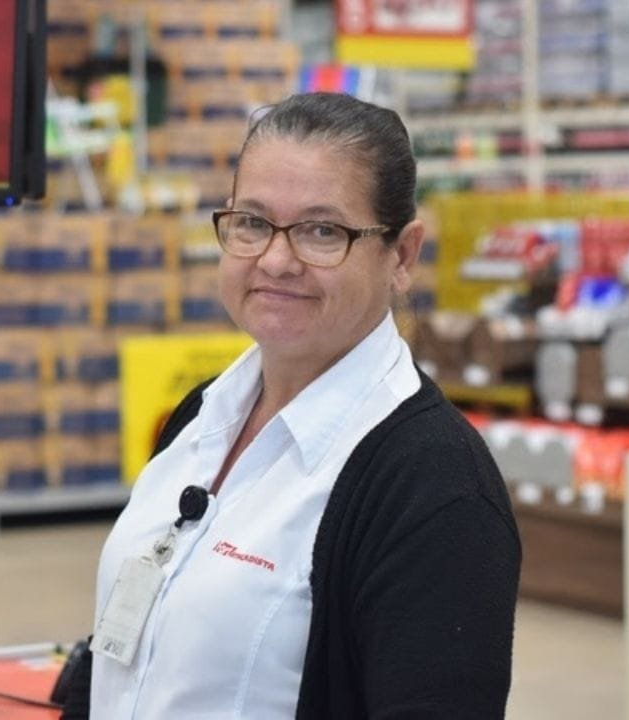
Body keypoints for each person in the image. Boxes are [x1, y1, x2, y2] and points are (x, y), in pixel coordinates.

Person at [62, 92, 521, 719]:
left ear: (403, 255)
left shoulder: (436, 487)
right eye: (252, 222)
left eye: (322, 231)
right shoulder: (202, 415)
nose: (276, 260)